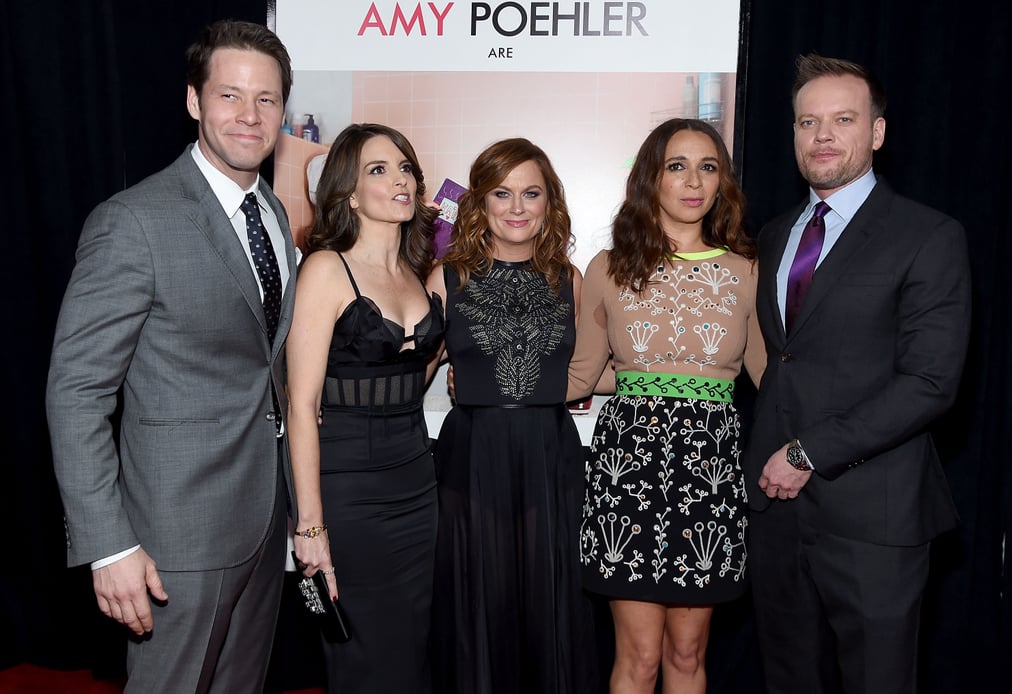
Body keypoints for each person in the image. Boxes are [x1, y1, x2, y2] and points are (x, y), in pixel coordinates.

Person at [45, 20, 295, 693]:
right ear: (194, 101)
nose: (249, 116)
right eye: (230, 96)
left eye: (266, 100)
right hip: (173, 536)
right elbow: (76, 392)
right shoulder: (135, 221)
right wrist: (109, 543)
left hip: (265, 522)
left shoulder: (271, 212)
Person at [745, 54, 971, 694]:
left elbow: (930, 382)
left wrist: (809, 451)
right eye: (807, 121)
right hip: (776, 513)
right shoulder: (774, 235)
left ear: (875, 132)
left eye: (842, 119)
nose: (821, 136)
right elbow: (783, 362)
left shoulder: (928, 235)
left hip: (877, 516)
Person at [568, 118, 766, 694]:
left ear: (722, 181)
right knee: (640, 657)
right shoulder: (610, 267)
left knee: (686, 654)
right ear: (650, 178)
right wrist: (491, 380)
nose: (693, 181)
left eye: (708, 167)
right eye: (676, 166)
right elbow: (584, 373)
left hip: (709, 475)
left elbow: (770, 378)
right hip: (628, 473)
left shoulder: (746, 271)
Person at [428, 138, 598, 693]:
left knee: (549, 599)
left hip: (549, 454)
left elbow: (597, 367)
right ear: (479, 203)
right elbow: (409, 367)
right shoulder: (447, 277)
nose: (517, 207)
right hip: (472, 453)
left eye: (531, 193)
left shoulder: (569, 280)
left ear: (551, 202)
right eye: (502, 193)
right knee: (479, 597)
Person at [286, 123, 442, 693]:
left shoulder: (417, 276)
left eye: (405, 168)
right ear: (349, 192)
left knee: (410, 645)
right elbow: (301, 404)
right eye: (378, 170)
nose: (399, 179)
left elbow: (411, 376)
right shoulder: (326, 268)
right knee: (364, 655)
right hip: (349, 492)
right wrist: (311, 526)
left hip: (418, 488)